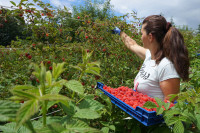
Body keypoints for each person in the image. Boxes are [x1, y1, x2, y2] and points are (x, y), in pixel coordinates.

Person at [113, 15, 190, 101]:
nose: (141, 37)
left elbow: (171, 105)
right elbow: (132, 45)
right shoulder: (150, 55)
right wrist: (120, 33)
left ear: (150, 37)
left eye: (142, 34)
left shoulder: (166, 66)